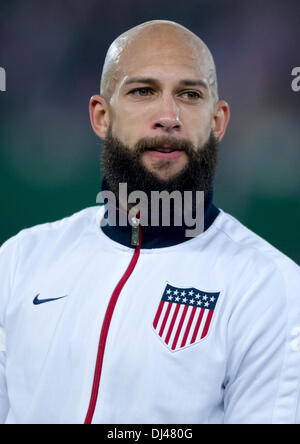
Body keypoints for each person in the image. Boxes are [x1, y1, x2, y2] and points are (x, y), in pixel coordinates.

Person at [0, 20, 299, 425]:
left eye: (190, 95)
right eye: (143, 91)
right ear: (101, 116)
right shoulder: (19, 262)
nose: (168, 116)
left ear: (218, 121)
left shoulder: (272, 288)